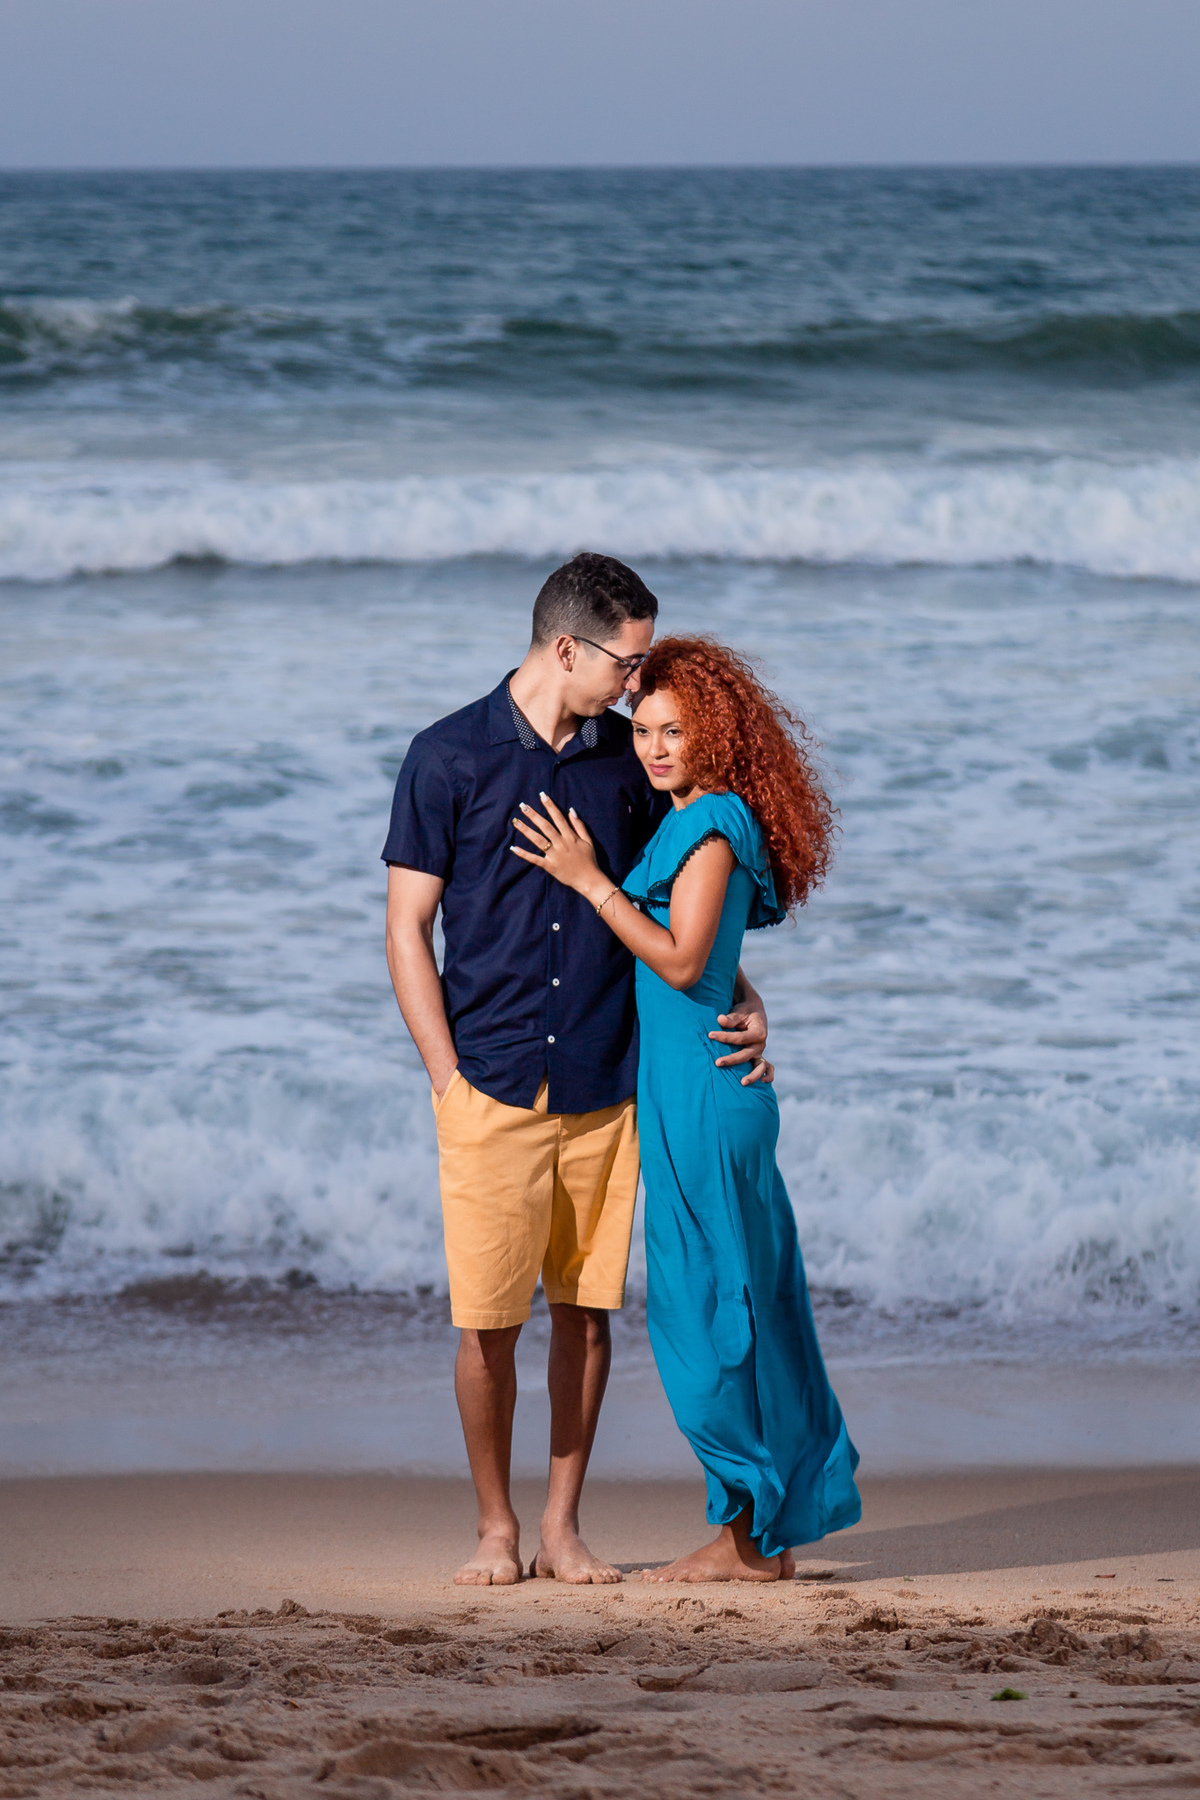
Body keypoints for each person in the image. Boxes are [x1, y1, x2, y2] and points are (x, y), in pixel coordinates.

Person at [383, 557, 775, 1587]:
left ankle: (560, 1529)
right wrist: (443, 1073)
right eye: (629, 661)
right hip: (490, 1079)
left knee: (586, 1315)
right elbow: (406, 928)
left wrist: (745, 991)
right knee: (487, 1323)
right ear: (569, 649)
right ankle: (495, 1530)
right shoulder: (447, 756)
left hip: (609, 1081)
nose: (640, 685)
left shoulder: (625, 765)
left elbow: (686, 899)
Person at [510, 635, 861, 1582]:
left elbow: (673, 958)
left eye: (677, 730)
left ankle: (752, 1540)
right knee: (724, 1308)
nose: (656, 746)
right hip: (685, 1095)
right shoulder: (691, 819)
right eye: (647, 729)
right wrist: (748, 996)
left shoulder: (713, 821)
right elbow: (705, 959)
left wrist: (586, 881)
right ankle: (755, 1533)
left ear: (719, 735)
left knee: (713, 1318)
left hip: (706, 1102)